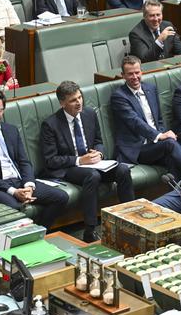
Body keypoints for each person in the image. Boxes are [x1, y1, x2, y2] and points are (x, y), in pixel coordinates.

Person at [41, 81, 135, 243]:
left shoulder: (89, 114)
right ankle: (90, 230)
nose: (79, 102)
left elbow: (98, 140)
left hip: (94, 164)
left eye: (80, 97)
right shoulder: (51, 124)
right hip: (69, 168)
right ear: (62, 103)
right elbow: (51, 160)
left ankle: (131, 218)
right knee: (92, 176)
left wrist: (99, 152)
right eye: (73, 100)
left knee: (123, 170)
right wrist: (79, 160)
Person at [0, 90, 70, 229]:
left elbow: (24, 161)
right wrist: (14, 191)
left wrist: (28, 186)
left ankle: (39, 232)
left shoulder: (11, 130)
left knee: (61, 197)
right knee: (15, 208)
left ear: (3, 110)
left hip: (19, 180)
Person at [111, 56, 181, 179]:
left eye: (137, 72)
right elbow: (135, 122)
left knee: (172, 159)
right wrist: (160, 136)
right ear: (123, 75)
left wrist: (161, 135)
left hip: (155, 145)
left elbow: (158, 120)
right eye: (130, 74)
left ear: (141, 72)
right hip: (137, 148)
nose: (135, 77)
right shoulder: (119, 97)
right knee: (170, 144)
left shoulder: (150, 88)